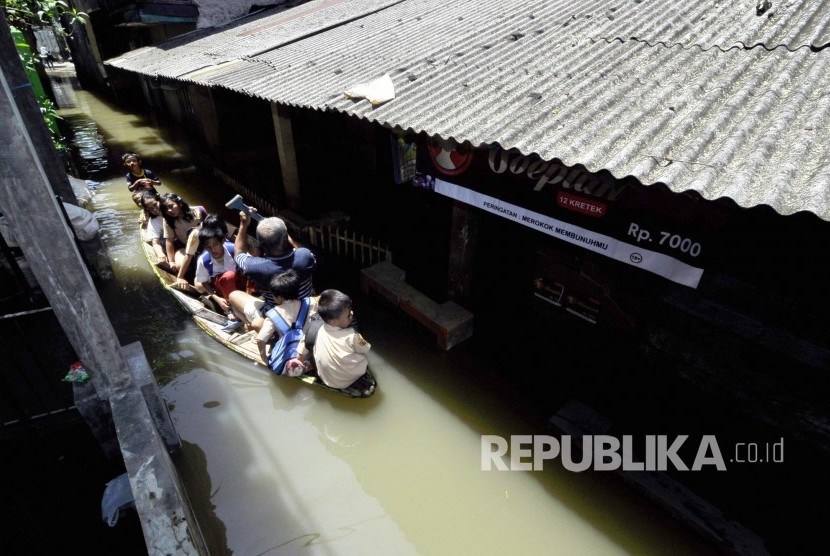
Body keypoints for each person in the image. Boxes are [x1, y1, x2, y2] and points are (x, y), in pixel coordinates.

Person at [227, 208, 317, 334]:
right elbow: (300, 251)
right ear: (286, 237)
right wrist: (288, 238)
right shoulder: (305, 256)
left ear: (261, 243)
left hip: (277, 315)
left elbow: (238, 253)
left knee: (233, 296)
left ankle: (253, 328)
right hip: (305, 309)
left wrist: (243, 224)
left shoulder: (255, 267)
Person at [295, 289, 371, 388]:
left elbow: (301, 352)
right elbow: (365, 349)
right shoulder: (352, 335)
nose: (352, 313)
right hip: (351, 378)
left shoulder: (315, 329)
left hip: (326, 380)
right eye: (348, 315)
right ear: (334, 321)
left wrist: (298, 363)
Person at [254, 269, 318, 365]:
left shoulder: (273, 314)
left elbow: (260, 340)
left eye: (273, 295)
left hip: (289, 357)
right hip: (308, 354)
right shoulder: (311, 303)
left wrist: (264, 359)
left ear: (280, 297)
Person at [192, 215, 245, 314]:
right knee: (229, 276)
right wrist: (216, 298)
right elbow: (203, 282)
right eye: (208, 247)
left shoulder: (233, 249)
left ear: (222, 241)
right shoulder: (203, 260)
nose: (213, 250)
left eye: (215, 245)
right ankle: (231, 309)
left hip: (238, 280)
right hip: (223, 286)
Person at [160, 192, 205, 287]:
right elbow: (169, 241)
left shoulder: (199, 210)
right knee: (179, 265)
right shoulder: (168, 221)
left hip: (205, 244)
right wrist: (171, 261)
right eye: (165, 209)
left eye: (171, 206)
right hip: (185, 247)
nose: (169, 210)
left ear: (179, 203)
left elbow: (212, 225)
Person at [139, 190, 168, 266]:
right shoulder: (154, 221)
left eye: (155, 205)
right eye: (150, 208)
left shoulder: (172, 210)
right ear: (147, 210)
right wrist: (160, 254)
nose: (154, 210)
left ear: (159, 200)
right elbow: (155, 242)